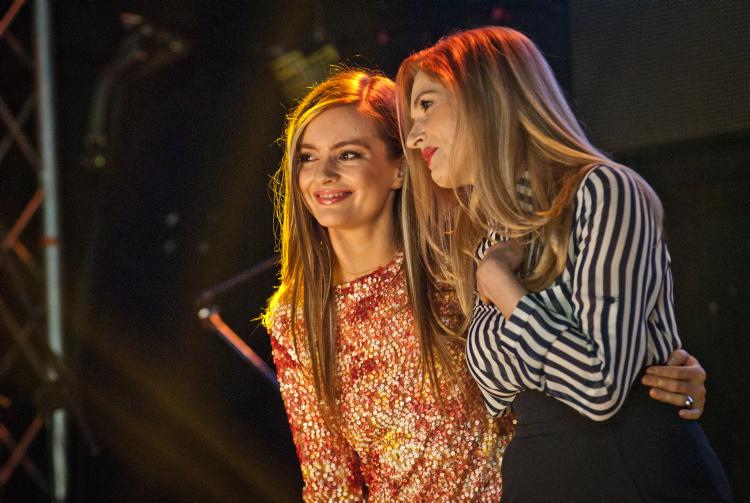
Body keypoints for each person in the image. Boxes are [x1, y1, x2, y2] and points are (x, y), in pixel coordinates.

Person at [264, 68, 709, 501]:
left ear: (399, 168)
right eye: (307, 157)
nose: (323, 174)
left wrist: (655, 375)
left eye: (348, 154)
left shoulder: (463, 258)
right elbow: (329, 480)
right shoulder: (296, 317)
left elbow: (581, 352)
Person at [398, 26, 732, 501]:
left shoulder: (603, 190)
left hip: (626, 471)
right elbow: (500, 399)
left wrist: (504, 290)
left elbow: (599, 387)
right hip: (538, 474)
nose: (413, 137)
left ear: (489, 96)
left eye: (426, 105)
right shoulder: (490, 236)